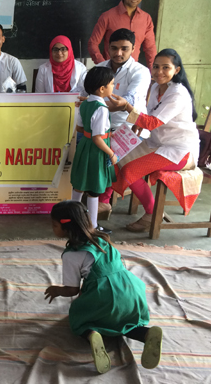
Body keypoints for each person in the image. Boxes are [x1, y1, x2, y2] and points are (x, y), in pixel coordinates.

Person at [45, 200, 163, 374]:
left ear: (67, 227)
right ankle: (145, 334)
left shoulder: (72, 255)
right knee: (126, 321)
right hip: (131, 291)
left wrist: (56, 290)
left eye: (54, 225)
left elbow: (72, 290)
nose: (52, 228)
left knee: (78, 318)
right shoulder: (102, 239)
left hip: (106, 298)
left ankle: (92, 334)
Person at [107, 49, 200, 232]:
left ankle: (152, 213)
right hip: (157, 143)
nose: (159, 72)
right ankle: (104, 201)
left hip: (179, 151)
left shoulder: (178, 94)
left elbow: (152, 122)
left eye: (166, 68)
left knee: (130, 170)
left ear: (177, 70)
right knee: (116, 155)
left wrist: (127, 107)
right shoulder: (157, 87)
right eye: (156, 67)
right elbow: (151, 115)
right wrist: (138, 123)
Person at [89, 28, 151, 220]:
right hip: (103, 126)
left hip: (132, 129)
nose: (118, 53)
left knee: (118, 162)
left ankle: (105, 201)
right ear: (107, 47)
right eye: (114, 48)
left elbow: (126, 101)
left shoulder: (141, 71)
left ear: (133, 48)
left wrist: (90, 103)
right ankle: (99, 199)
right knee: (86, 147)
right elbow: (81, 92)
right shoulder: (99, 68)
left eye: (124, 48)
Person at [70, 67, 117, 234]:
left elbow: (80, 128)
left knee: (79, 185)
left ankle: (73, 220)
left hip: (84, 146)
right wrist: (111, 153)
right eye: (112, 84)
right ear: (102, 88)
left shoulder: (85, 104)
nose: (113, 87)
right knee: (94, 189)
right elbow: (98, 138)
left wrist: (102, 134)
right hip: (96, 151)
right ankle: (93, 226)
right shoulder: (102, 108)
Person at [88, 0, 157, 70]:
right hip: (111, 70)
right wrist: (103, 66)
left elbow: (150, 48)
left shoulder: (146, 19)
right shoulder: (107, 16)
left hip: (133, 70)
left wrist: (154, 70)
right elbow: (93, 43)